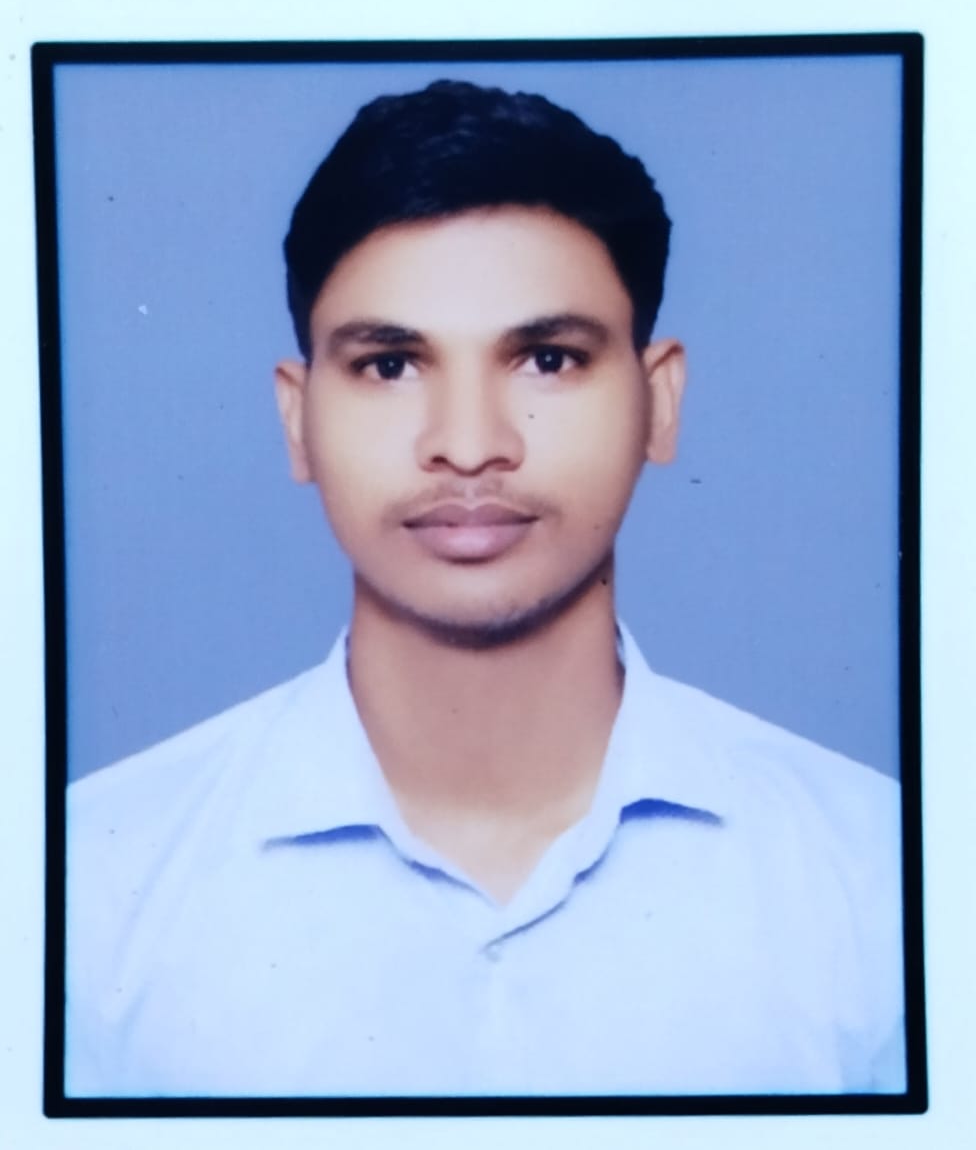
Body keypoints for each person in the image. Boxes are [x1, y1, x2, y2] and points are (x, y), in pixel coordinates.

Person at [65, 79, 905, 1098]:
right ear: (297, 418)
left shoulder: (884, 879)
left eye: (547, 358)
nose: (468, 445)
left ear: (659, 401)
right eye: (390, 365)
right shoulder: (85, 887)